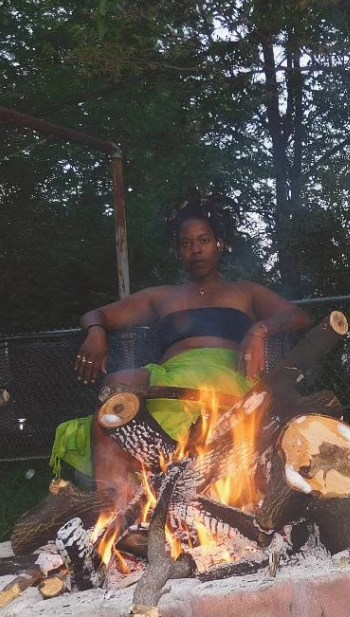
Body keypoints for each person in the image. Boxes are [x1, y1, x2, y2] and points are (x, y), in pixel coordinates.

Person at [50, 194, 311, 499]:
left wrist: (260, 329)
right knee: (116, 385)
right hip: (171, 375)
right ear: (179, 251)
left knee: (223, 395)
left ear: (219, 244)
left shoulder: (245, 292)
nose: (195, 249)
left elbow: (298, 316)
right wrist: (96, 332)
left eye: (204, 240)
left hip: (228, 375)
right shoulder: (162, 297)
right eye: (186, 243)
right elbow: (97, 314)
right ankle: (113, 505)